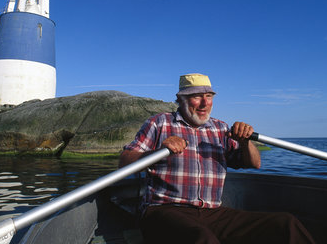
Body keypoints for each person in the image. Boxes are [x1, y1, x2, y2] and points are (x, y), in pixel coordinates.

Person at [119, 73, 315, 244]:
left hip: (213, 213)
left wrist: (246, 142)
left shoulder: (220, 128)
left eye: (209, 96)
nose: (205, 103)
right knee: (202, 238)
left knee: (285, 224)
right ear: (181, 99)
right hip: (163, 211)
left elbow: (254, 163)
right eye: (197, 96)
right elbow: (124, 161)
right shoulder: (159, 123)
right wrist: (158, 152)